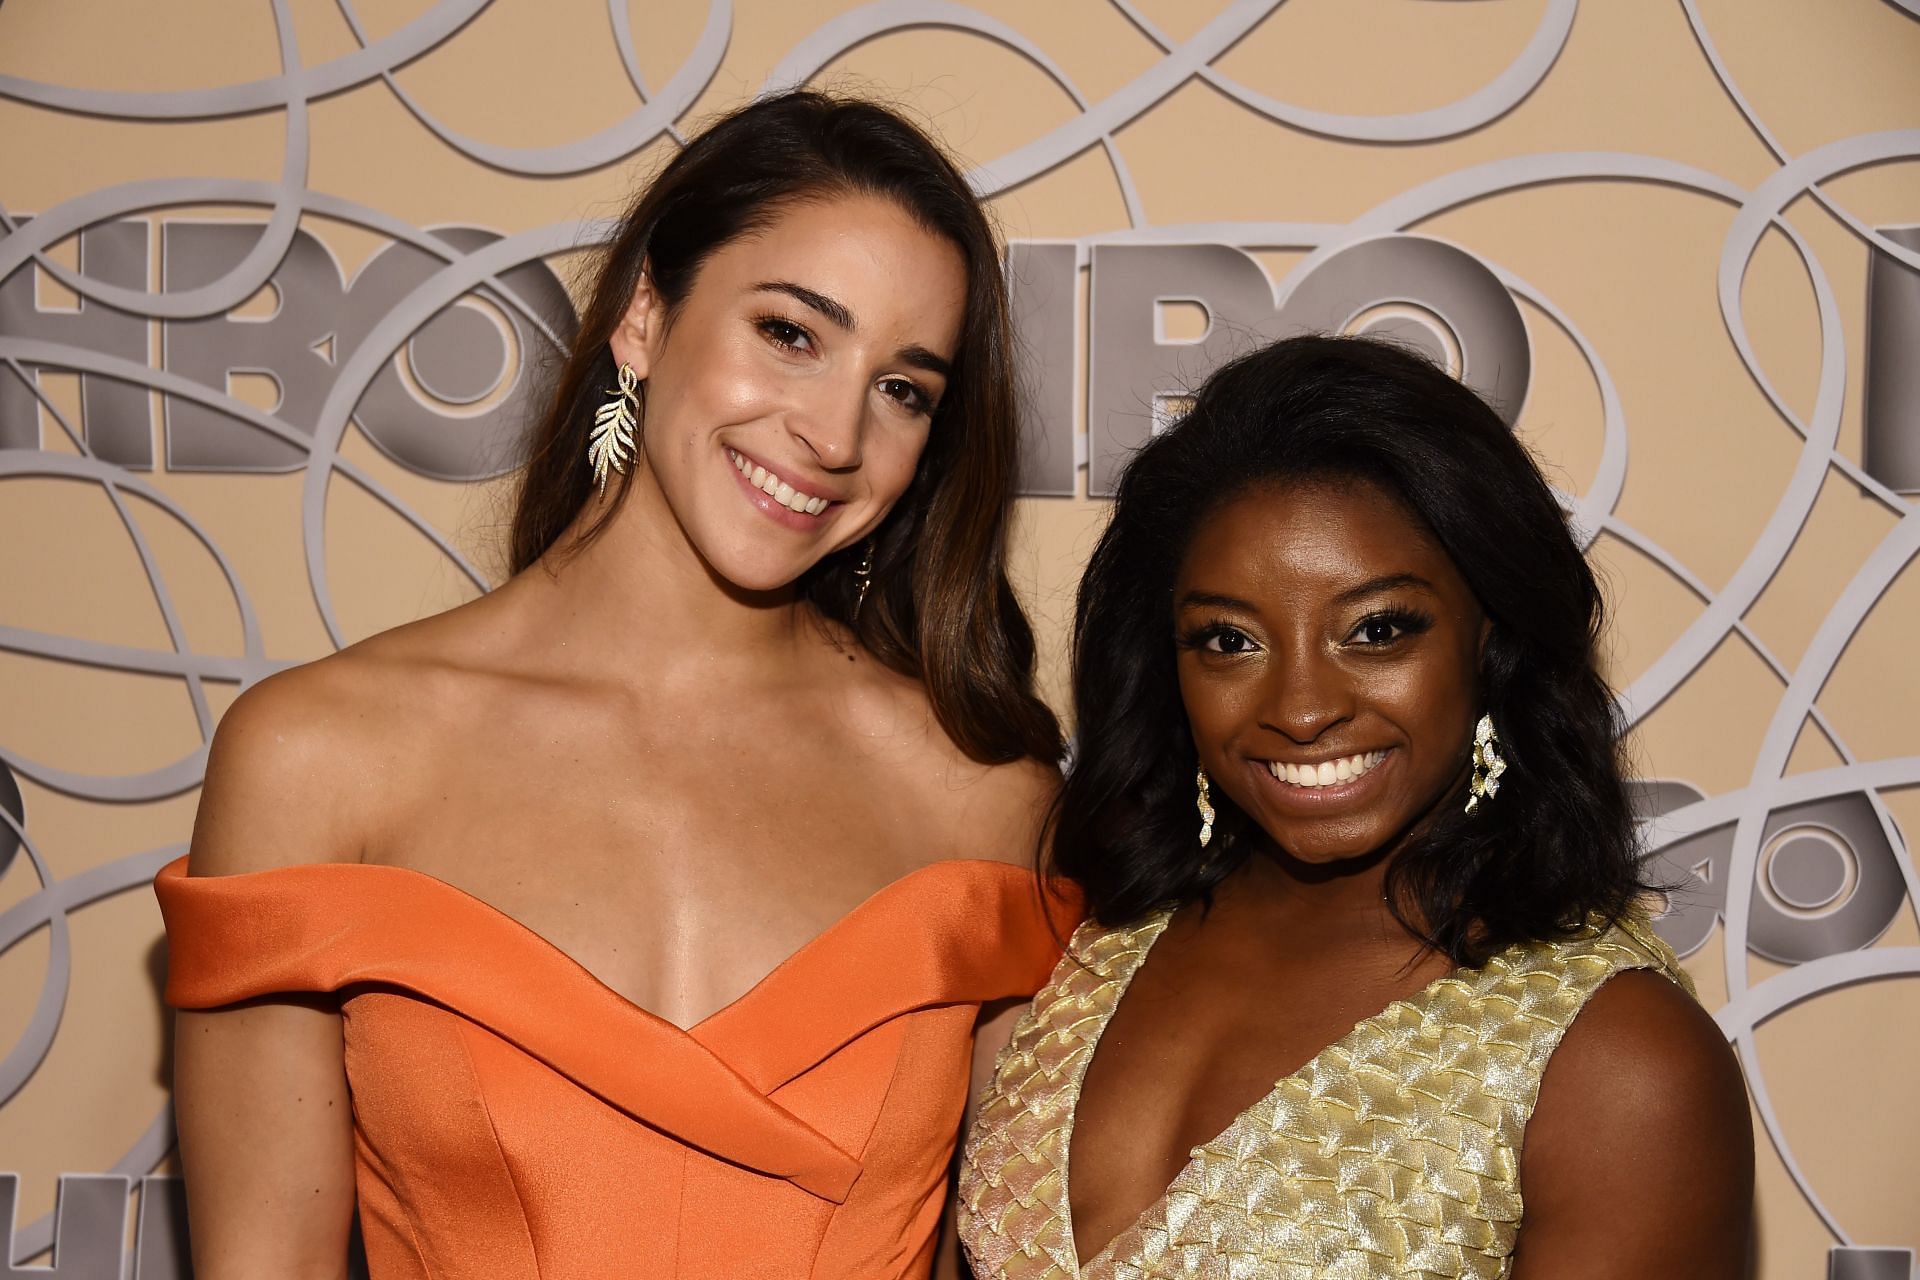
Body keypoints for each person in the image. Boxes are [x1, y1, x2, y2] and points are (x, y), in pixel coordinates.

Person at [157, 91, 1073, 1280]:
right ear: (645, 315)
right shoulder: (319, 757)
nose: (836, 431)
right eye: (791, 333)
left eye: (904, 388)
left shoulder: (980, 792)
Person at [957, 335, 1753, 1279]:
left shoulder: (1618, 1063)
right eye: (1227, 640)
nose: (1300, 709)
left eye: (1377, 630)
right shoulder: (1080, 946)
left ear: (1490, 640)